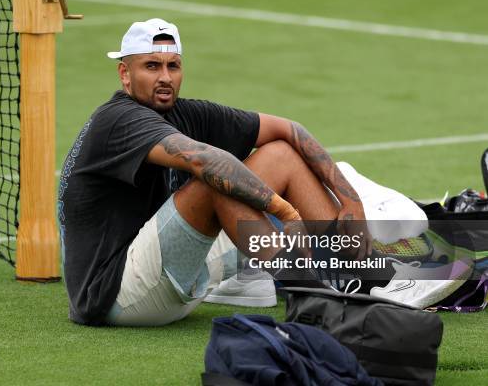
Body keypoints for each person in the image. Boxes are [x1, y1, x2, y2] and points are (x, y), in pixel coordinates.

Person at [59, 18, 371, 326]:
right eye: (152, 66)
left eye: (173, 66)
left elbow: (290, 129)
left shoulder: (182, 112)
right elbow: (206, 163)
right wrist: (286, 213)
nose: (165, 77)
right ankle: (313, 297)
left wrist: (351, 201)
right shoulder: (117, 120)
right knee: (216, 180)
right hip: (116, 295)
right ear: (125, 74)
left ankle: (363, 275)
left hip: (175, 274)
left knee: (280, 155)